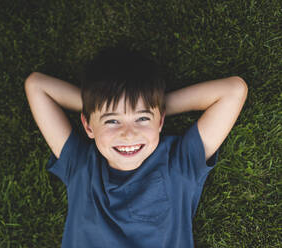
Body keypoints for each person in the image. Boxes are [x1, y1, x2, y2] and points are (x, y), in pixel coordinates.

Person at [24, 45, 248, 248]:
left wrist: (153, 104)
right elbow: (36, 86)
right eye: (112, 121)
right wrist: (112, 106)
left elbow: (233, 91)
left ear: (160, 121)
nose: (128, 134)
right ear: (88, 127)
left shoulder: (179, 163)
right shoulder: (81, 165)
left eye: (142, 119)